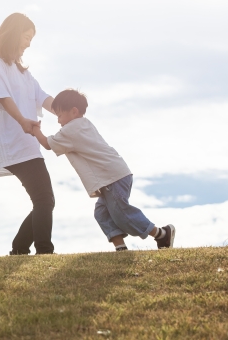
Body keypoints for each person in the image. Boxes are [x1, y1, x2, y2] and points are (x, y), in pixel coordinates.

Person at [32, 89, 175, 251]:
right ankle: (121, 248)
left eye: (59, 115)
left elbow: (47, 144)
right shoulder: (83, 124)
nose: (58, 121)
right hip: (115, 174)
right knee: (102, 213)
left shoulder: (72, 129)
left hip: (111, 177)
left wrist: (35, 130)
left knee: (122, 214)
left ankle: (162, 234)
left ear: (73, 112)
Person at [0, 13, 56, 255]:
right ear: (14, 34)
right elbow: (1, 96)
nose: (29, 43)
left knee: (44, 199)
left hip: (27, 144)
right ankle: (43, 251)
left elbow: (43, 98)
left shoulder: (24, 73)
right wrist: (22, 120)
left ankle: (20, 248)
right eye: (26, 37)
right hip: (11, 144)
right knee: (44, 198)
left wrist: (67, 111)